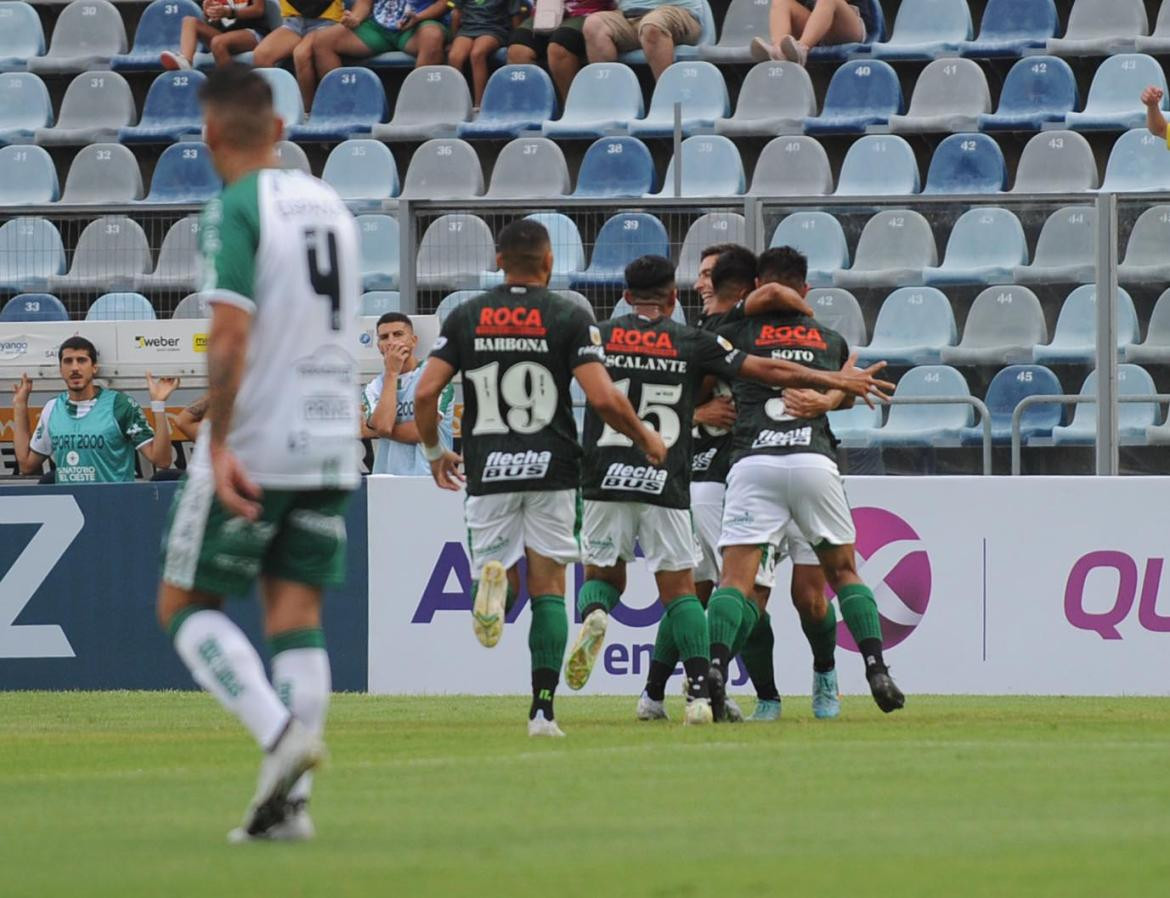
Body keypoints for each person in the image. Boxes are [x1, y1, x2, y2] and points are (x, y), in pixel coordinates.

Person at [156, 65, 362, 843]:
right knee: (296, 614)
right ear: (279, 130)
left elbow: (231, 333)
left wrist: (217, 440)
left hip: (261, 438)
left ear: (209, 137)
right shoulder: (334, 205)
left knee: (182, 607)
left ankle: (281, 737)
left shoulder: (234, 208)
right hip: (332, 435)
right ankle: (289, 814)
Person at [564, 255, 892, 726]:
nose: (700, 283)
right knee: (696, 592)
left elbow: (604, 396)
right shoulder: (700, 338)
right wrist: (834, 380)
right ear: (673, 295)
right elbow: (769, 371)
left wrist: (829, 394)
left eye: (706, 274)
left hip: (619, 472)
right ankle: (704, 690)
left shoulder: (599, 335)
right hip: (692, 477)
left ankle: (624, 647)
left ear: (624, 293)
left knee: (624, 579)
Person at [414, 219, 667, 738]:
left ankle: (493, 585)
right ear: (549, 263)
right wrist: (644, 435)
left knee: (501, 579)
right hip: (552, 467)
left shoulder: (465, 316)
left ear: (498, 261)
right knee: (550, 588)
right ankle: (542, 712)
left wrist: (436, 450)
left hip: (489, 469)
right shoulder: (567, 315)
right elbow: (601, 397)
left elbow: (423, 394)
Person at [709, 245, 905, 721]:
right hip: (814, 463)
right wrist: (831, 395)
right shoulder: (828, 338)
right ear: (807, 290)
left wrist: (828, 399)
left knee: (745, 584)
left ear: (755, 287)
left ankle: (713, 668)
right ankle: (874, 666)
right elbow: (844, 390)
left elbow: (838, 395)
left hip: (755, 463)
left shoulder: (733, 332)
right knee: (841, 576)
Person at [10, 338, 177, 482]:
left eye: (81, 360)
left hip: (115, 508)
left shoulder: (120, 405)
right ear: (61, 369)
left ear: (94, 367)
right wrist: (19, 405)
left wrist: (158, 404)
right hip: (72, 512)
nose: (75, 368)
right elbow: (26, 465)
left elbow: (162, 461)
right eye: (68, 361)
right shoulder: (52, 408)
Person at [304, 0, 450, 109]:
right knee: (323, 41)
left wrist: (419, 17)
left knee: (432, 37)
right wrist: (355, 18)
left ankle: (419, 108)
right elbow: (365, 3)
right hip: (378, 27)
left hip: (417, 24)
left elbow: (445, 3)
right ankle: (342, 109)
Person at [362, 312, 455, 475]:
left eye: (398, 334)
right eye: (384, 337)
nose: (391, 342)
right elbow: (383, 426)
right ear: (379, 346)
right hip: (388, 482)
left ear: (413, 341)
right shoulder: (374, 387)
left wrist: (375, 430)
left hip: (430, 481)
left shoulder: (436, 376)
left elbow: (422, 431)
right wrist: (392, 373)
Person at [506, 0, 614, 102]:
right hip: (545, 11)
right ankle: (535, 108)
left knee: (559, 47)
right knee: (517, 50)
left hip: (586, 10)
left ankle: (571, 107)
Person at [582, 0, 703, 81]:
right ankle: (609, 103)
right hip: (629, 16)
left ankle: (669, 100)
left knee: (652, 26)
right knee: (593, 24)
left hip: (678, 12)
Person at [251, 0, 345, 101]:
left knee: (301, 54)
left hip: (326, 22)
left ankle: (307, 111)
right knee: (260, 55)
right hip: (293, 23)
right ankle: (279, 107)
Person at [449, 0, 524, 109]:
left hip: (494, 29)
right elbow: (456, 13)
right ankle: (457, 104)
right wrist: (453, 38)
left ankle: (480, 105)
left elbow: (515, 16)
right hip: (467, 29)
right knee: (454, 57)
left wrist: (514, 39)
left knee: (477, 54)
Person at [161, 0, 273, 71]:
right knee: (189, 21)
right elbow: (213, 22)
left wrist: (229, 12)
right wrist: (209, 12)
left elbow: (259, 10)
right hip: (224, 35)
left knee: (218, 42)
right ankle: (185, 62)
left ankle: (233, 88)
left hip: (252, 33)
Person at [751, 0, 866, 65]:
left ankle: (802, 49)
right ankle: (777, 50)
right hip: (816, 27)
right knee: (781, 2)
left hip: (845, 25)